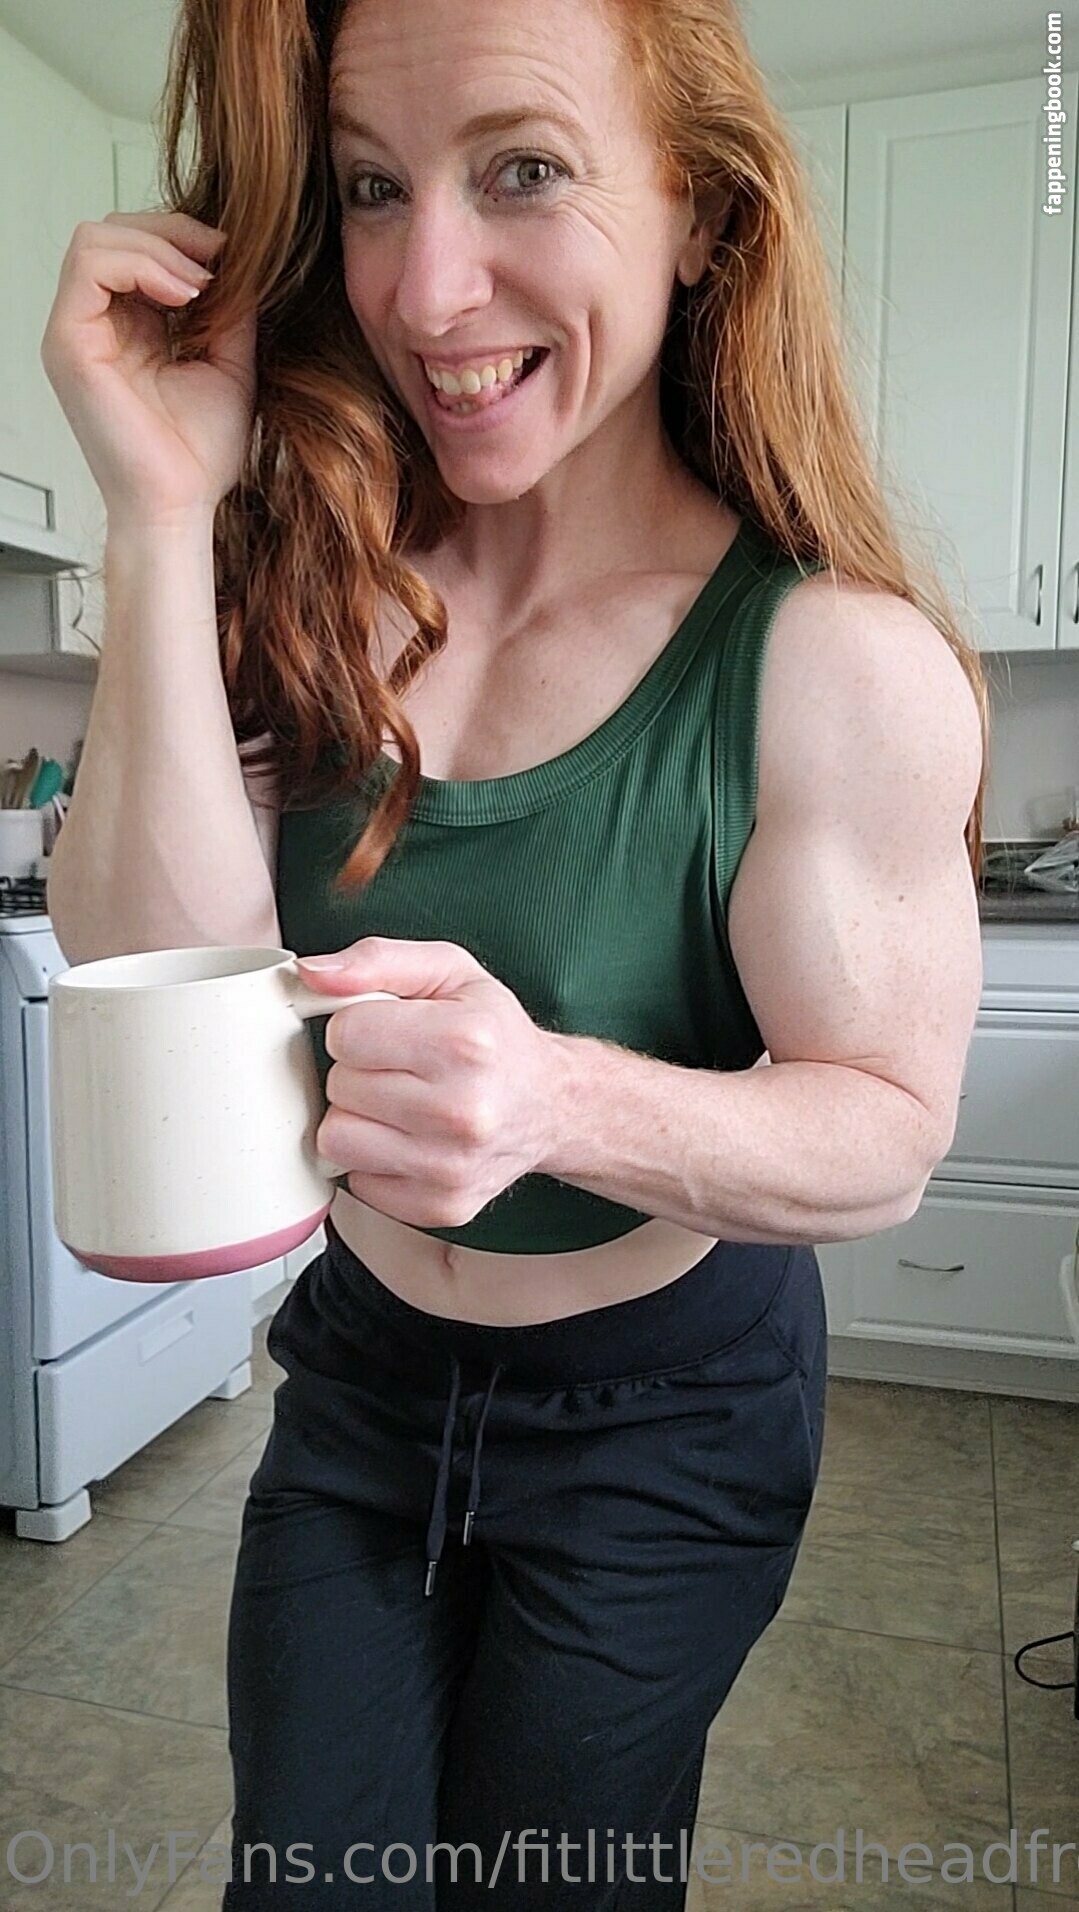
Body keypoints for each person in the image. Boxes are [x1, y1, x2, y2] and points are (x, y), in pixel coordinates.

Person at [42, 0, 988, 1903]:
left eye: (525, 169)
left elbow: (885, 1133)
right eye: (371, 190)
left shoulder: (828, 665)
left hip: (666, 1419)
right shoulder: (304, 597)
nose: (427, 289)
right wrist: (159, 513)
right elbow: (153, 983)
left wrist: (554, 1099)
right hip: (363, 1378)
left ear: (702, 209)